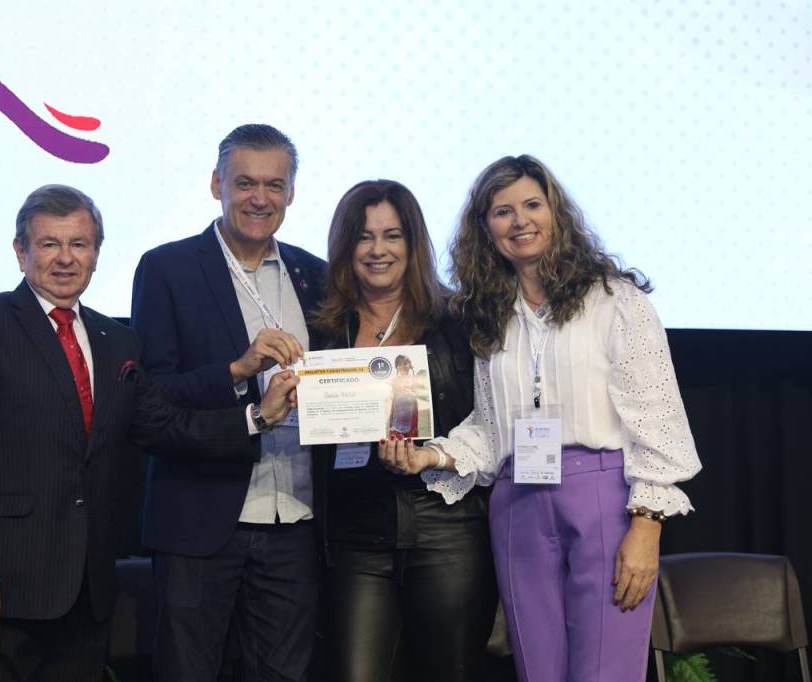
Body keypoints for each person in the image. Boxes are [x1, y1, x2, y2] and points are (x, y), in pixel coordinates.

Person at [0, 184, 299, 681]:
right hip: (1, 585)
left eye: (79, 244)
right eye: (49, 244)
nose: (65, 258)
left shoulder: (116, 340)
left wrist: (259, 417)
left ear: (96, 254)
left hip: (87, 592)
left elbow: (165, 426)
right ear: (20, 251)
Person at [379, 156, 703, 682]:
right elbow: (490, 429)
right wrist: (429, 456)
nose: (520, 221)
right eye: (502, 211)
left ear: (557, 213)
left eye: (532, 205)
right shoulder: (489, 312)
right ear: (485, 228)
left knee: (606, 671)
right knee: (538, 670)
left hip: (603, 498)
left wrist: (646, 526)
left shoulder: (615, 300)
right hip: (518, 503)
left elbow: (657, 416)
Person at [131, 124, 326, 681]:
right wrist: (237, 371)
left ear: (291, 192)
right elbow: (151, 395)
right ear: (217, 184)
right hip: (201, 518)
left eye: (274, 185)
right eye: (244, 183)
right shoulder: (167, 269)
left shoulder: (316, 275)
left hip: (297, 517)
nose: (259, 198)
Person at [310, 179, 497, 682]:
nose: (378, 250)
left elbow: (492, 423)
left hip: (447, 531)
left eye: (392, 235)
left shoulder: (458, 321)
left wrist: (432, 455)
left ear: (413, 244)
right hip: (356, 534)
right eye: (363, 237)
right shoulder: (323, 330)